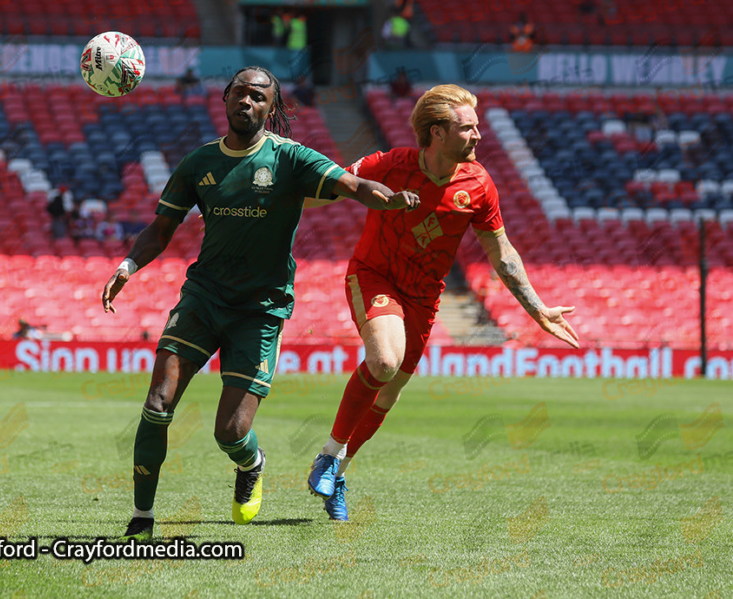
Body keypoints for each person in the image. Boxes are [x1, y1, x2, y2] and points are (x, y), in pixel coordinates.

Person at [101, 67, 420, 541]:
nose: (246, 102)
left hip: (261, 310)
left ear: (272, 109)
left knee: (229, 431)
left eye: (258, 96)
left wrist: (388, 199)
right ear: (226, 98)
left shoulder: (291, 159)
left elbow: (351, 185)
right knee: (157, 403)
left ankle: (251, 463)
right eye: (239, 94)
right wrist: (128, 265)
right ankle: (142, 518)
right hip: (203, 298)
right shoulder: (198, 163)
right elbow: (160, 231)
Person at [305, 85, 579, 520]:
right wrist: (258, 201)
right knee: (383, 363)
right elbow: (325, 189)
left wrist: (538, 309)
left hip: (424, 295)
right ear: (436, 132)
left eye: (477, 127)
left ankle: (338, 470)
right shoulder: (388, 164)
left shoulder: (479, 183)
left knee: (388, 395)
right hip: (375, 276)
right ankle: (329, 454)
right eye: (467, 128)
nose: (478, 136)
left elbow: (502, 253)